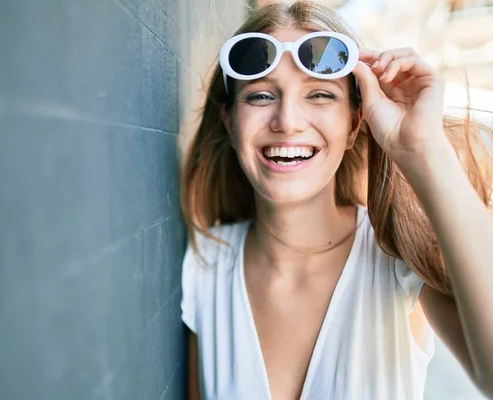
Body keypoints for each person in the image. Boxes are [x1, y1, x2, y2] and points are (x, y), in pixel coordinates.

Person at [179, 1, 493, 399]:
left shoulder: (397, 261)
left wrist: (424, 151)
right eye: (260, 97)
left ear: (353, 124)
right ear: (229, 119)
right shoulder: (205, 264)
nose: (287, 121)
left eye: (320, 95)